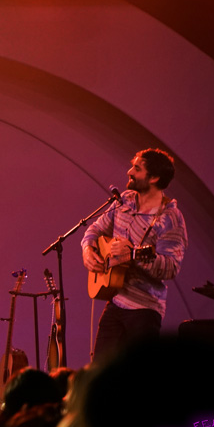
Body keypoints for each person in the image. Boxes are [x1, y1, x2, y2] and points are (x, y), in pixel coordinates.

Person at [81, 149, 188, 362]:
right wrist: (88, 249)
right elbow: (94, 230)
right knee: (100, 373)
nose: (129, 171)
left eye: (137, 169)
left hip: (145, 310)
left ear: (154, 177)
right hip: (115, 300)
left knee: (137, 380)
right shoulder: (125, 201)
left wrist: (133, 256)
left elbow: (171, 267)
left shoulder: (170, 218)